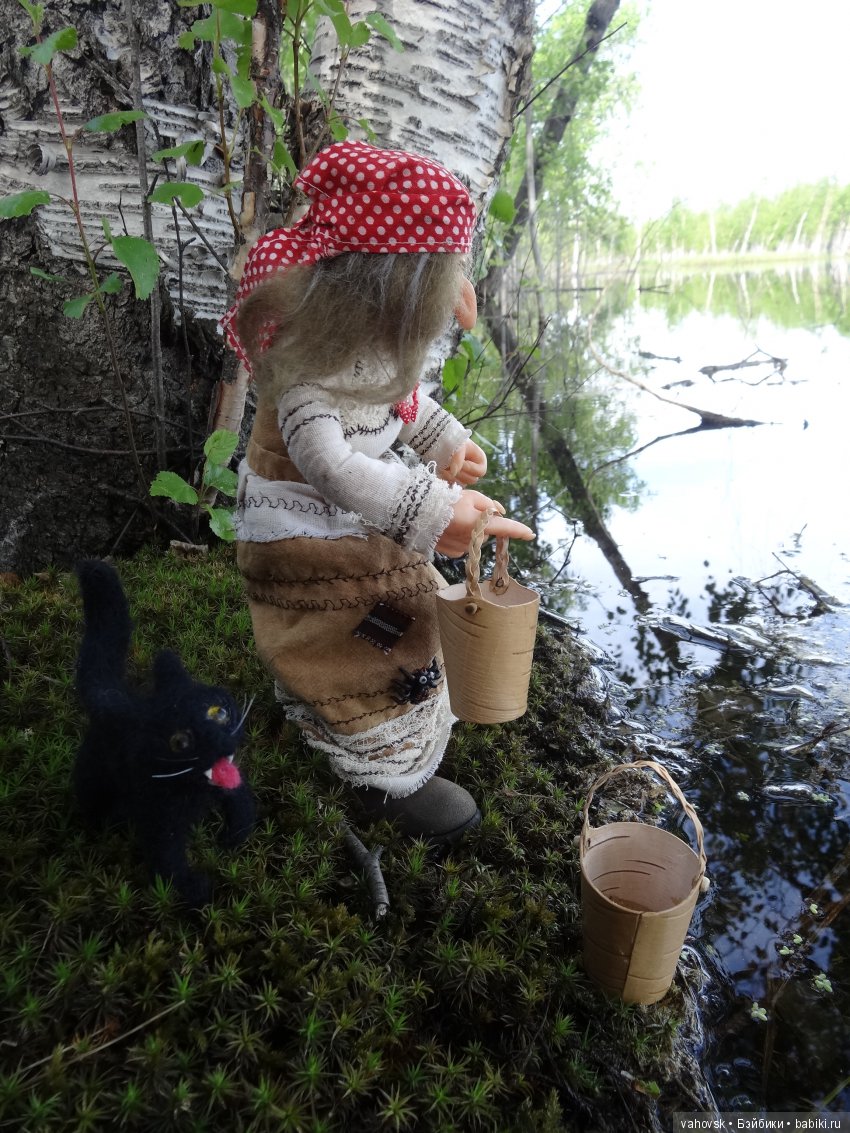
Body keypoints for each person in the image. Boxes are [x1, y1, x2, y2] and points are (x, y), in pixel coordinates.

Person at [221, 139, 534, 845]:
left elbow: (402, 402)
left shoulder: (372, 349)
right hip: (308, 538)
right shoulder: (304, 371)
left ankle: (372, 716)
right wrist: (430, 510)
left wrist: (446, 441)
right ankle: (375, 767)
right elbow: (330, 465)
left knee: (403, 604)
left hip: (357, 523)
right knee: (363, 630)